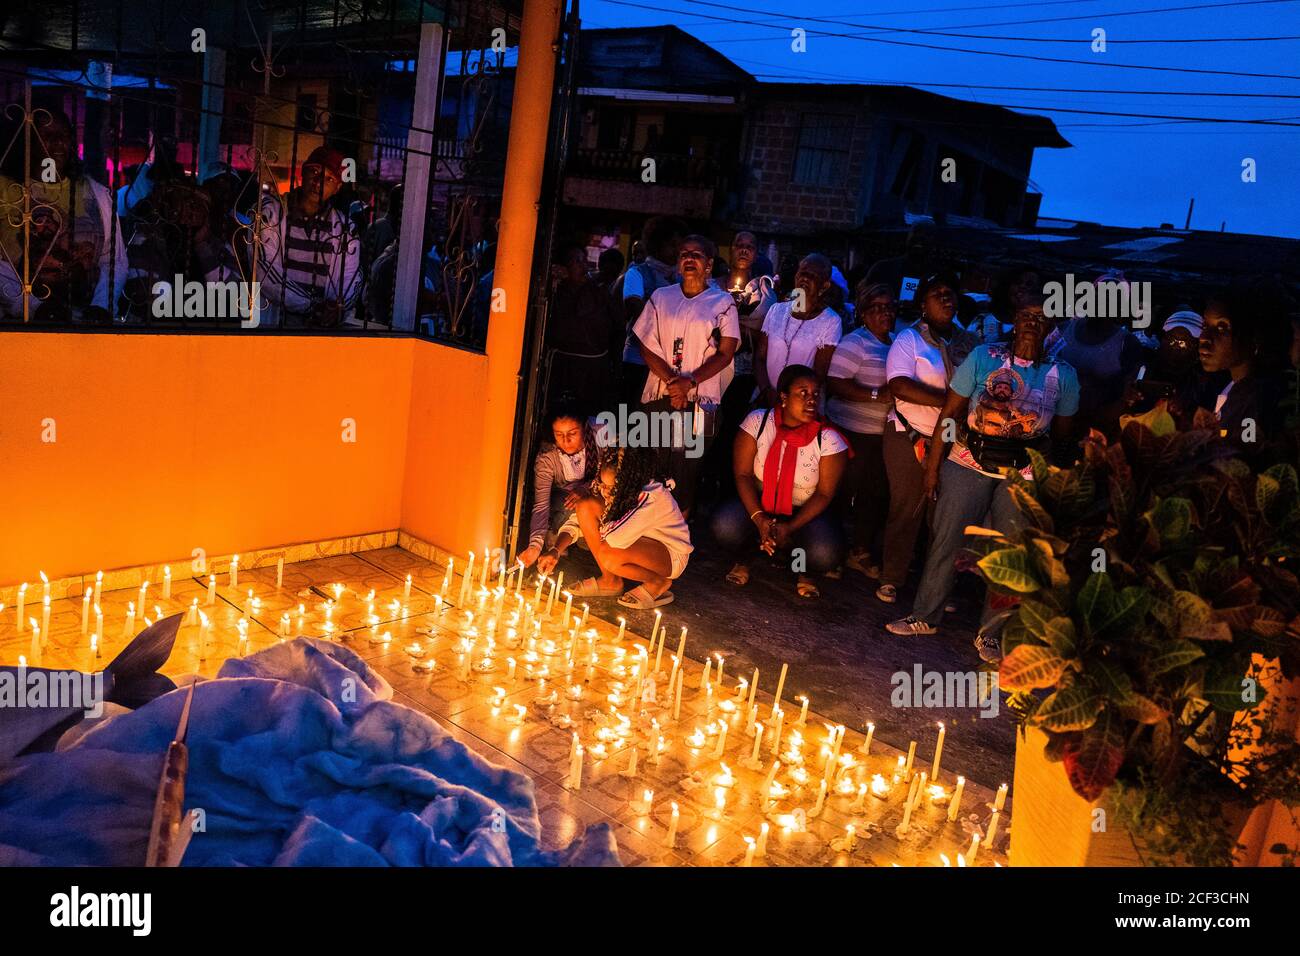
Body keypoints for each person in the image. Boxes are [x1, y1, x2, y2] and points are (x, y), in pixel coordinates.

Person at [886, 294, 1078, 660]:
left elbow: (1065, 437)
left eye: (1040, 319)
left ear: (1052, 326)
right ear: (1013, 319)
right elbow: (950, 412)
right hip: (966, 459)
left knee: (1009, 551)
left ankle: (991, 633)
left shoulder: (1063, 375)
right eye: (1025, 315)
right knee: (946, 537)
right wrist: (932, 466)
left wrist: (1053, 483)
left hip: (1021, 473)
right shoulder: (983, 357)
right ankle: (925, 616)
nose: (1031, 324)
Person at [876, 272, 978, 605]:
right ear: (923, 304)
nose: (947, 299)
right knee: (907, 507)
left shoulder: (968, 343)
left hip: (952, 438)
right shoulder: (909, 340)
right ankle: (892, 577)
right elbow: (899, 385)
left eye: (951, 293)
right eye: (938, 294)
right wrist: (948, 401)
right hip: (909, 433)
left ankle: (935, 587)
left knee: (944, 515)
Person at [712, 365, 848, 599]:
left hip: (804, 511)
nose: (811, 400)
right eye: (803, 393)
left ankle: (801, 571)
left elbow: (824, 494)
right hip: (760, 502)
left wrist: (791, 527)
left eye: (816, 394)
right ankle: (745, 560)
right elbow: (742, 475)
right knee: (726, 526)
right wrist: (759, 518)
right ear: (783, 397)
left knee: (824, 553)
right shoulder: (758, 422)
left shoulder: (827, 438)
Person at [631, 234, 741, 516]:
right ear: (678, 263)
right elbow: (646, 343)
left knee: (687, 468)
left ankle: (680, 531)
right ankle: (651, 526)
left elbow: (726, 352)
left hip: (700, 401)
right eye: (683, 254)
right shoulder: (661, 297)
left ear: (708, 264)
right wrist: (672, 382)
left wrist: (689, 383)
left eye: (697, 255)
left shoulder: (723, 302)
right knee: (656, 463)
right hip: (661, 392)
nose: (689, 259)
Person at [0, 104, 126, 323]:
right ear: (26, 140)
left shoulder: (95, 193)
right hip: (16, 323)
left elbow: (114, 259)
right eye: (48, 135)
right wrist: (31, 307)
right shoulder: (5, 189)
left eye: (65, 135)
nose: (59, 143)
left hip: (86, 322)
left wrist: (101, 306)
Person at [540, 444, 692, 611]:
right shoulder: (614, 491)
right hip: (636, 542)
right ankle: (610, 581)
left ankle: (658, 582)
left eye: (611, 487)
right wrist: (556, 550)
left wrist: (602, 521)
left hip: (669, 555)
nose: (604, 491)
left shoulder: (650, 497)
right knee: (585, 505)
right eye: (602, 484)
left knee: (608, 554)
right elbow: (579, 521)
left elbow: (615, 539)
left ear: (629, 482)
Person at [827, 281, 897, 579]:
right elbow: (835, 381)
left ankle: (860, 551)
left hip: (881, 435)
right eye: (876, 308)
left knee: (875, 493)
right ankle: (830, 552)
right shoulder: (856, 342)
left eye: (888, 307)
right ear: (864, 313)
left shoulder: (895, 342)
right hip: (850, 430)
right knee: (843, 492)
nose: (884, 313)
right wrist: (874, 395)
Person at [256, 145, 360, 327]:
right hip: (274, 326)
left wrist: (338, 308)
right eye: (315, 171)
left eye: (329, 178)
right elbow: (263, 270)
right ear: (302, 174)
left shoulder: (345, 228)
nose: (318, 183)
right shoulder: (270, 213)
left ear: (337, 188)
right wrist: (313, 306)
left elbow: (352, 277)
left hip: (319, 332)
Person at [1198, 281, 1289, 464]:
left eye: (1222, 328)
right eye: (1205, 326)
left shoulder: (1256, 398)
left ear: (1255, 338)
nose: (1204, 339)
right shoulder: (1235, 386)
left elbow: (1243, 463)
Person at [1045, 273, 1145, 439]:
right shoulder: (1063, 329)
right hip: (1051, 418)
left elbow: (1128, 391)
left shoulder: (1127, 343)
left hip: (1093, 426)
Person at [516, 406, 607, 569]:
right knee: (566, 508)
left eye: (572, 433)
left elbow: (615, 469)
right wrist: (534, 546)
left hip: (601, 492)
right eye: (559, 435)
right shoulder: (547, 458)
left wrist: (587, 487)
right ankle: (561, 537)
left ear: (584, 427)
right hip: (566, 499)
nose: (566, 441)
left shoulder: (601, 432)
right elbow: (541, 505)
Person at [755, 253, 843, 407]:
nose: (805, 278)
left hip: (800, 404)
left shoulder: (830, 321)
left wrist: (790, 401)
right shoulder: (776, 310)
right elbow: (760, 357)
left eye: (813, 276)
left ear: (824, 285)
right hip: (766, 396)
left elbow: (819, 373)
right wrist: (766, 390)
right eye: (803, 273)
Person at [617, 216, 684, 407]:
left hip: (669, 364)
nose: (677, 251)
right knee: (632, 417)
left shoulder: (680, 277)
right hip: (638, 360)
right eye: (672, 245)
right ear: (657, 245)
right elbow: (637, 311)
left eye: (680, 246)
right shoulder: (636, 274)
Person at [543, 244, 619, 410]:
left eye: (584, 260)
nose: (583, 266)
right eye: (576, 261)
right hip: (566, 366)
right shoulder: (556, 290)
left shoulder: (597, 290)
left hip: (594, 367)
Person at [1123, 308, 1214, 429]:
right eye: (1171, 340)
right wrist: (1125, 398)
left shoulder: (1204, 384)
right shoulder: (1142, 366)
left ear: (1197, 348)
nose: (1175, 347)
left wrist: (1183, 414)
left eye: (1183, 343)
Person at [865, 221, 938, 321]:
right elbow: (865, 300)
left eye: (926, 236)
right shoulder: (882, 269)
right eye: (915, 235)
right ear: (907, 239)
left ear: (934, 242)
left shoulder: (940, 276)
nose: (919, 239)